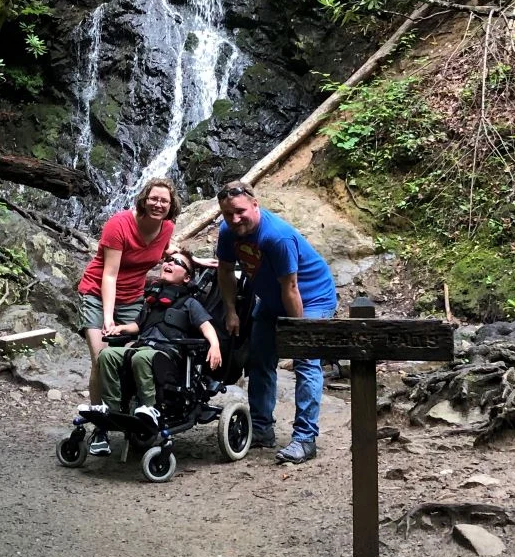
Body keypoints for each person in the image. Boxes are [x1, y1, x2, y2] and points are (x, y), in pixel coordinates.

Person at [215, 181, 337, 465]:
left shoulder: (276, 236)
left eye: (240, 212)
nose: (235, 219)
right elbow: (224, 271)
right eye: (227, 214)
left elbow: (291, 288)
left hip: (311, 298)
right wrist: (231, 311)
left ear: (255, 205)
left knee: (306, 363)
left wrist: (297, 335)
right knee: (259, 360)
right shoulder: (228, 233)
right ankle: (261, 430)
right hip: (271, 300)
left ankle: (305, 439)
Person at [82, 251, 222, 456]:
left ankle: (150, 407)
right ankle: (111, 408)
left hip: (169, 355)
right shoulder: (152, 300)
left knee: (140, 357)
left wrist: (215, 345)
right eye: (168, 260)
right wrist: (120, 329)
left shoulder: (190, 303)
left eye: (177, 263)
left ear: (187, 278)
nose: (169, 263)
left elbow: (206, 326)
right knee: (107, 355)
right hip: (144, 346)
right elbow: (137, 326)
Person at [77, 178, 179, 454]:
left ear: (171, 206)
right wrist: (108, 319)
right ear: (144, 199)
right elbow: (108, 275)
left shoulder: (166, 228)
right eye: (154, 199)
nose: (158, 204)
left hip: (134, 297)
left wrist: (193, 260)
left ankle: (131, 413)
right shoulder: (119, 225)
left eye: (164, 201)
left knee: (131, 356)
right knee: (101, 358)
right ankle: (100, 427)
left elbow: (164, 250)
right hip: (98, 294)